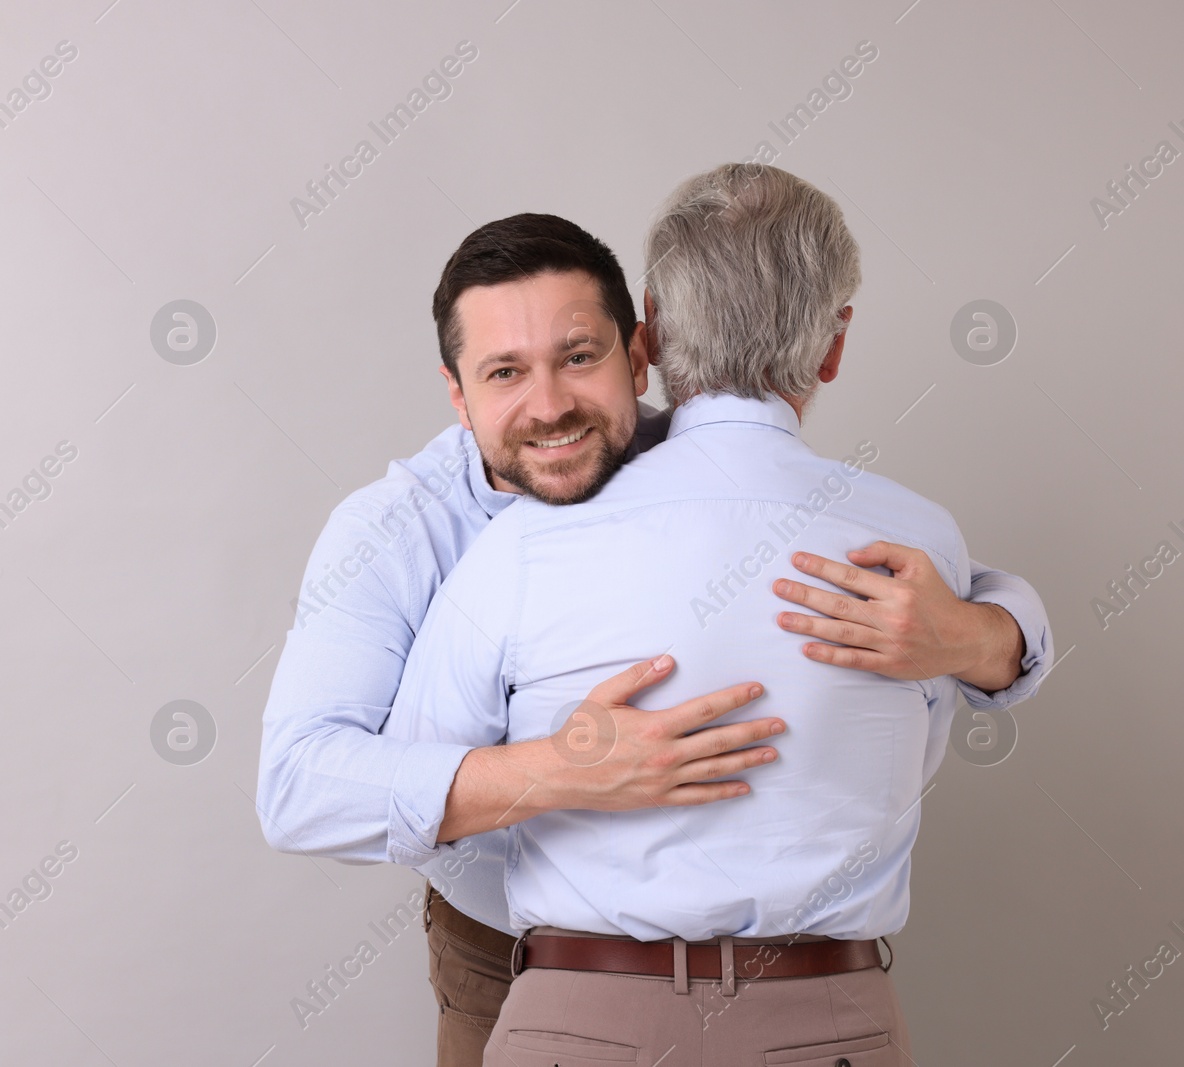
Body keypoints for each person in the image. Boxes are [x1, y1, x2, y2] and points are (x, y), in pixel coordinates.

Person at [257, 205, 1050, 1066]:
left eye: (579, 356)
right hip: (504, 947)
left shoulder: (701, 460)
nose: (551, 405)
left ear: (644, 352)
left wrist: (982, 637)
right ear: (456, 392)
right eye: (504, 373)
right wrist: (562, 771)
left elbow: (950, 587)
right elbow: (301, 786)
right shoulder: (396, 529)